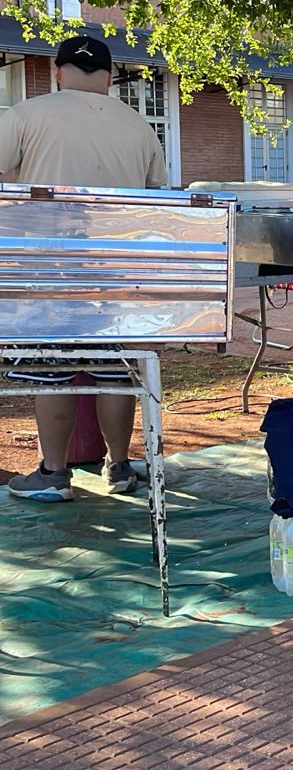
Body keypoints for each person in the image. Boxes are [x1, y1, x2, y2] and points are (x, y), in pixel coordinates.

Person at [1, 34, 165, 502]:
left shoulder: (24, 115)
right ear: (110, 78)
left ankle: (54, 474)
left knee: (51, 369)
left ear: (57, 72)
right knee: (116, 368)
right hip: (117, 268)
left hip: (49, 267)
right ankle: (119, 466)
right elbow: (156, 195)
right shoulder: (139, 125)